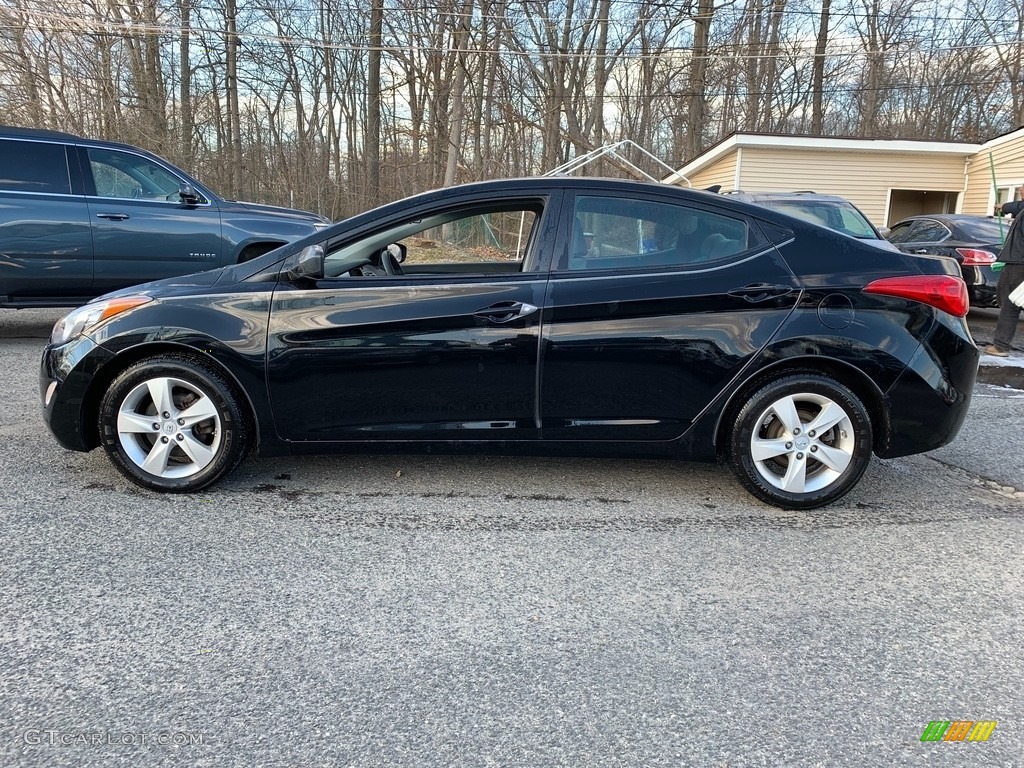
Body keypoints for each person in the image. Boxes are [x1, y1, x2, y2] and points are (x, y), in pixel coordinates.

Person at [985, 185, 1024, 357]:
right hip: (1017, 261)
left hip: (1018, 263)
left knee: (1010, 304)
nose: (1022, 191)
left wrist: (1005, 207)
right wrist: (1005, 207)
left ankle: (1001, 346)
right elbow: (1017, 207)